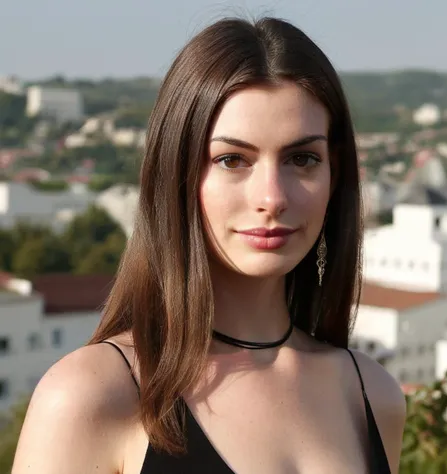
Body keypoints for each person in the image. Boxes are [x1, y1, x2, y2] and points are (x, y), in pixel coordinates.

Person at [13, 16, 406, 474]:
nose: (272, 198)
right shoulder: (91, 396)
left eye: (302, 159)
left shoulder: (373, 397)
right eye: (231, 159)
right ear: (176, 172)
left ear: (334, 175)